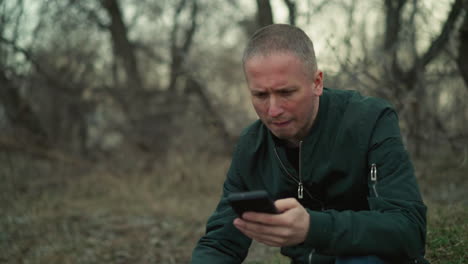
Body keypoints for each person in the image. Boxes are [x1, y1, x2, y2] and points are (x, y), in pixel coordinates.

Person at [190, 24, 428, 264]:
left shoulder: (370, 121)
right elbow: (221, 243)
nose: (273, 110)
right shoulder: (251, 146)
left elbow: (408, 229)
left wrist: (313, 227)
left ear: (317, 82)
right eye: (261, 95)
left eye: (286, 93)